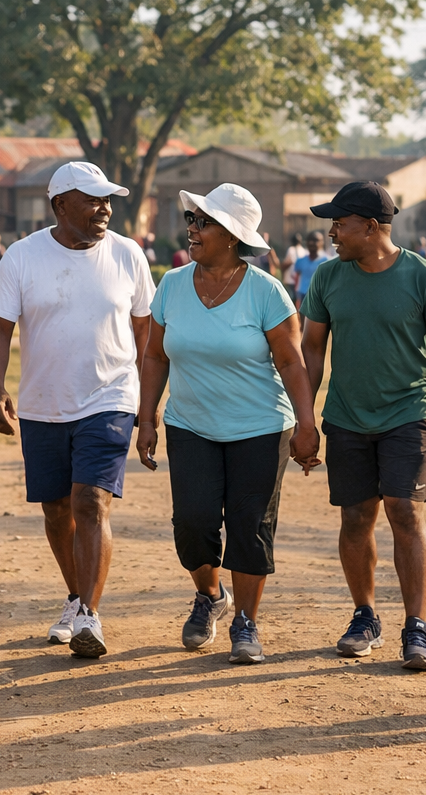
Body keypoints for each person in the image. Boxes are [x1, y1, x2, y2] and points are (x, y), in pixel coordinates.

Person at [136, 185, 321, 664]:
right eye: (192, 220)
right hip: (190, 424)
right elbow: (155, 355)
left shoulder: (266, 292)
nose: (192, 229)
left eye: (204, 223)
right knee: (193, 523)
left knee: (249, 526)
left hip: (259, 426)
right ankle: (211, 596)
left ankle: (247, 622)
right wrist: (147, 416)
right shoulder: (173, 285)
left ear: (234, 236)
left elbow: (292, 363)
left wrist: (307, 423)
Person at [0, 161, 154, 659]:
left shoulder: (128, 254)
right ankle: (77, 597)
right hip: (44, 402)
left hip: (110, 397)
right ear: (60, 205)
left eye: (108, 200)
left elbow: (145, 332)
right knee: (57, 509)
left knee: (90, 502)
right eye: (92, 199)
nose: (104, 209)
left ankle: (90, 618)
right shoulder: (22, 256)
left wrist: (145, 404)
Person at [300, 182, 426, 671]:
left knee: (404, 510)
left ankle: (416, 627)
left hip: (407, 412)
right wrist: (306, 419)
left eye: (340, 223)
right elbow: (312, 350)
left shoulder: (423, 276)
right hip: (347, 416)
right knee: (355, 517)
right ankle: (364, 615)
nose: (332, 232)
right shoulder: (327, 277)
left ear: (371, 227)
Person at [291, 232, 328, 305]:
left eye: (315, 240)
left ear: (322, 242)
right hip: (303, 296)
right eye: (309, 240)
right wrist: (296, 296)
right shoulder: (300, 261)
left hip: (320, 297)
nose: (311, 243)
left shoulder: (327, 261)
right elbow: (296, 278)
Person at [281, 233, 304, 301]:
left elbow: (287, 262)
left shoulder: (291, 249)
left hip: (290, 278)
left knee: (290, 297)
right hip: (298, 279)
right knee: (297, 297)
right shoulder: (303, 250)